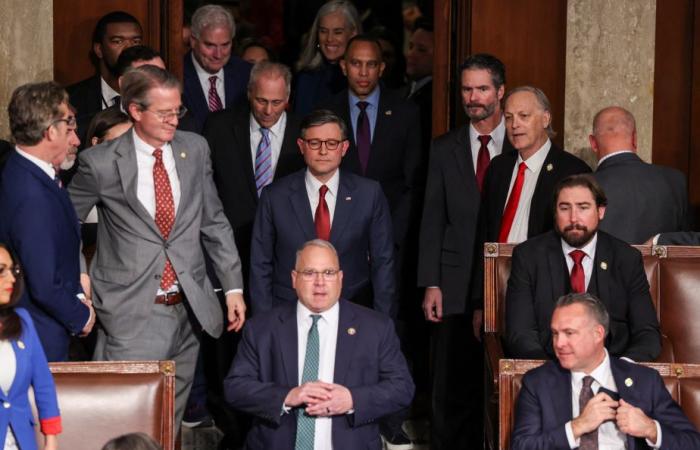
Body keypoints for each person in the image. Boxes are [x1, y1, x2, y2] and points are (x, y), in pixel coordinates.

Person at [68, 65, 246, 427]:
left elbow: (213, 220)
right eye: (164, 112)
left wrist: (233, 286)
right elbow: (64, 224)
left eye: (177, 110)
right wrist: (81, 281)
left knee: (167, 423)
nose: (174, 120)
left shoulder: (194, 149)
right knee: (123, 423)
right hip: (131, 312)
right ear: (135, 110)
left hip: (189, 309)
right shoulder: (100, 162)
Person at [225, 239, 414, 450]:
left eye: (329, 273)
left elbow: (402, 388)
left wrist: (353, 399)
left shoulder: (376, 327)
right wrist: (287, 396)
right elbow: (235, 388)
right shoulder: (262, 328)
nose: (320, 282)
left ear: (341, 278)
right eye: (309, 273)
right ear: (294, 279)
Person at [417, 53, 513, 449]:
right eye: (467, 89)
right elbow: (432, 218)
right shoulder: (444, 148)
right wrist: (431, 283)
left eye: (482, 89)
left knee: (496, 385)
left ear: (501, 92)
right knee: (451, 386)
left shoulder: (522, 141)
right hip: (453, 285)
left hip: (507, 284)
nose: (473, 98)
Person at [249, 109, 395, 317]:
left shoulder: (369, 194)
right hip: (288, 312)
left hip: (353, 311)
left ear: (344, 147)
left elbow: (384, 263)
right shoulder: (275, 196)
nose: (323, 151)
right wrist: (264, 324)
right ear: (301, 146)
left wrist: (383, 322)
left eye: (332, 143)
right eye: (315, 143)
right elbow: (260, 264)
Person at [511, 292, 700, 449]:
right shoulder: (538, 382)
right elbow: (521, 445)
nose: (559, 343)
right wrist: (578, 426)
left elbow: (692, 443)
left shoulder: (644, 380)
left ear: (598, 334)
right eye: (555, 333)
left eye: (569, 333)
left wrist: (651, 429)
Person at [505, 174, 661, 361]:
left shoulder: (626, 258)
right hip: (549, 372)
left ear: (600, 211)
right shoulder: (528, 256)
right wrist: (548, 376)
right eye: (564, 208)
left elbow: (647, 333)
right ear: (555, 213)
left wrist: (620, 372)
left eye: (583, 207)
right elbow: (520, 334)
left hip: (612, 373)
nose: (573, 218)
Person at [0, 82, 94, 362]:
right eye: (70, 127)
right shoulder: (30, 192)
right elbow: (43, 280)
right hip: (38, 336)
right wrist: (82, 315)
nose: (76, 140)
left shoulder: (30, 173)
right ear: (50, 131)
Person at [204, 61, 305, 286]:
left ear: (288, 98)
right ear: (249, 93)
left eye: (277, 102)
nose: (268, 111)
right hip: (230, 250)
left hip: (286, 255)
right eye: (261, 101)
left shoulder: (305, 133)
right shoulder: (219, 127)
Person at [591, 106, 689, 244]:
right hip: (660, 265)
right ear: (635, 139)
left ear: (593, 143)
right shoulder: (675, 180)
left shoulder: (583, 186)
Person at [0, 243, 62, 450]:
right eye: (1, 271)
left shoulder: (23, 321)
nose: (11, 279)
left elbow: (43, 382)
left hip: (20, 441)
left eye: (13, 270)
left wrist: (51, 439)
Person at [67, 11, 143, 143]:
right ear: (99, 50)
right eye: (118, 41)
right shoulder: (72, 99)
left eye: (135, 41)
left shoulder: (154, 96)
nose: (129, 49)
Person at [183, 4, 252, 132]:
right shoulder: (176, 74)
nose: (218, 54)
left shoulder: (246, 73)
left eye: (225, 45)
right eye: (210, 45)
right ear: (193, 41)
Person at [293, 0, 361, 116]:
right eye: (323, 31)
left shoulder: (364, 77)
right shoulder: (307, 77)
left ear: (353, 33)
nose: (329, 39)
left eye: (337, 32)